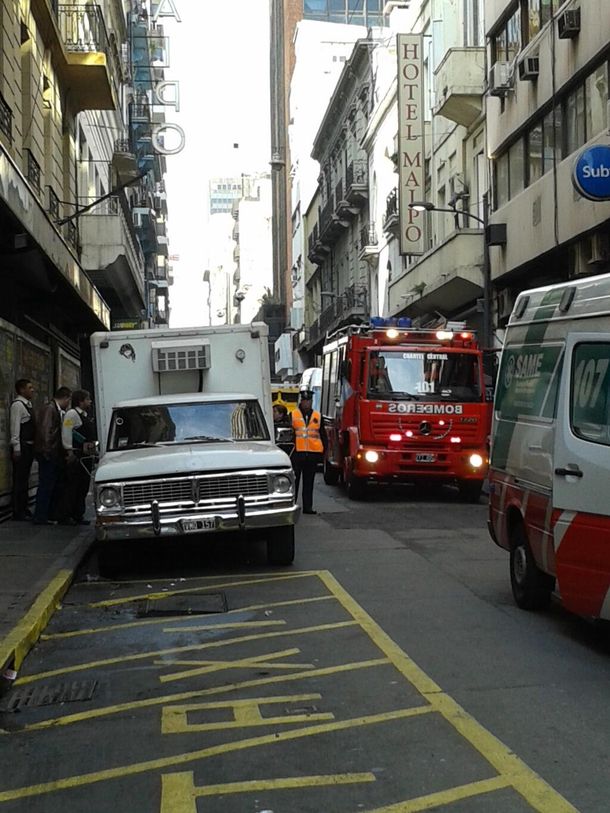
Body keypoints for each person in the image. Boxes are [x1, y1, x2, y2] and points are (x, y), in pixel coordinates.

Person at [57, 389, 97, 526]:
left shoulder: (85, 415)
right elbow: (66, 432)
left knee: (83, 486)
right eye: (88, 399)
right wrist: (69, 450)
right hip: (77, 454)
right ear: (80, 401)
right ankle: (67, 515)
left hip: (86, 455)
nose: (90, 401)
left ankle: (78, 514)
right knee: (73, 486)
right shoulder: (71, 414)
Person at [33, 386, 72, 526]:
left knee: (49, 484)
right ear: (66, 398)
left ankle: (45, 514)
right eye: (69, 400)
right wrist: (47, 451)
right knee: (46, 484)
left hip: (49, 452)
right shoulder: (50, 409)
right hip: (48, 453)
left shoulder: (52, 408)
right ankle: (41, 516)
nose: (68, 404)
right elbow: (45, 431)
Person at [291, 389, 326, 515]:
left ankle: (308, 507)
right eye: (305, 401)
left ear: (311, 402)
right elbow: (290, 435)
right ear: (301, 401)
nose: (307, 403)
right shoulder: (293, 414)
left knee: (309, 482)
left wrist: (323, 454)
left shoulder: (317, 416)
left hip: (312, 454)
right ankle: (292, 505)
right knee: (294, 482)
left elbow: (322, 435)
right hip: (297, 454)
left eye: (309, 401)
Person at [9, 379, 36, 520]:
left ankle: (24, 508)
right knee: (19, 479)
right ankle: (18, 510)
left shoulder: (28, 405)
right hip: (22, 446)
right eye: (29, 387)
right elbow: (15, 427)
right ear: (21, 390)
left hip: (29, 446)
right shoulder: (18, 405)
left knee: (25, 479)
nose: (32, 390)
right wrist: (16, 447)